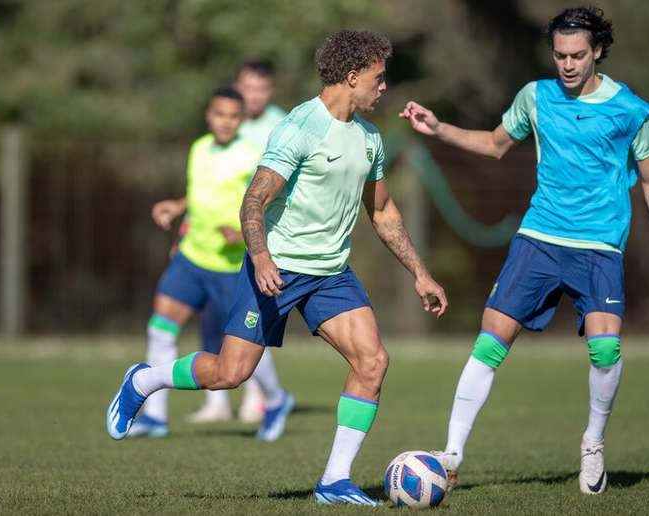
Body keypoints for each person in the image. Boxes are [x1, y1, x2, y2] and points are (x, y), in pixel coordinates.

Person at [107, 29, 448, 505]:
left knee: (372, 361)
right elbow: (254, 200)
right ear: (352, 77)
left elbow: (384, 212)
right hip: (278, 269)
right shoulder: (299, 129)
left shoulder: (370, 139)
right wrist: (263, 257)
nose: (383, 86)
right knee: (230, 374)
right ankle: (145, 379)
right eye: (378, 77)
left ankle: (333, 481)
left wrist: (420, 272)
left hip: (331, 273)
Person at [400, 6, 649, 496]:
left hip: (599, 246)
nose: (567, 64)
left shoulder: (628, 108)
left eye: (578, 55)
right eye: (560, 55)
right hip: (539, 238)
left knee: (605, 350)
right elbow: (497, 144)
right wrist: (439, 128)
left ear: (598, 52)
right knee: (489, 341)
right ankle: (451, 454)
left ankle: (593, 444)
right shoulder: (535, 97)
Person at [127, 86, 293, 442]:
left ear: (241, 120)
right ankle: (155, 416)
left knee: (242, 346)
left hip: (231, 267)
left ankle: (277, 400)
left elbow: (263, 201)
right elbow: (201, 192)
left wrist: (244, 231)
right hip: (192, 257)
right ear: (209, 114)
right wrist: (177, 207)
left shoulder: (252, 156)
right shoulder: (198, 148)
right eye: (220, 114)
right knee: (161, 327)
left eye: (234, 116)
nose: (226, 122)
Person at [188, 59, 289, 425]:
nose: (253, 96)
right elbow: (210, 182)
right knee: (216, 319)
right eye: (248, 88)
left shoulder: (281, 125)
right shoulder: (226, 124)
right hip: (215, 241)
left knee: (251, 318)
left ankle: (260, 397)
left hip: (260, 235)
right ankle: (218, 400)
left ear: (270, 92)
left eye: (261, 89)